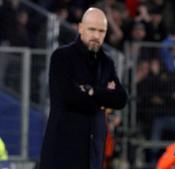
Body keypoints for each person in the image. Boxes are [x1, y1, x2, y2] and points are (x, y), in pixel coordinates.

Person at [39, 8, 127, 169]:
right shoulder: (62, 57)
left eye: (101, 31)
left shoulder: (106, 62)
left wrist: (91, 91)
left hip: (94, 153)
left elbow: (121, 99)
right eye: (92, 29)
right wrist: (103, 97)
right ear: (80, 28)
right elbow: (70, 96)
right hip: (62, 152)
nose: (96, 35)